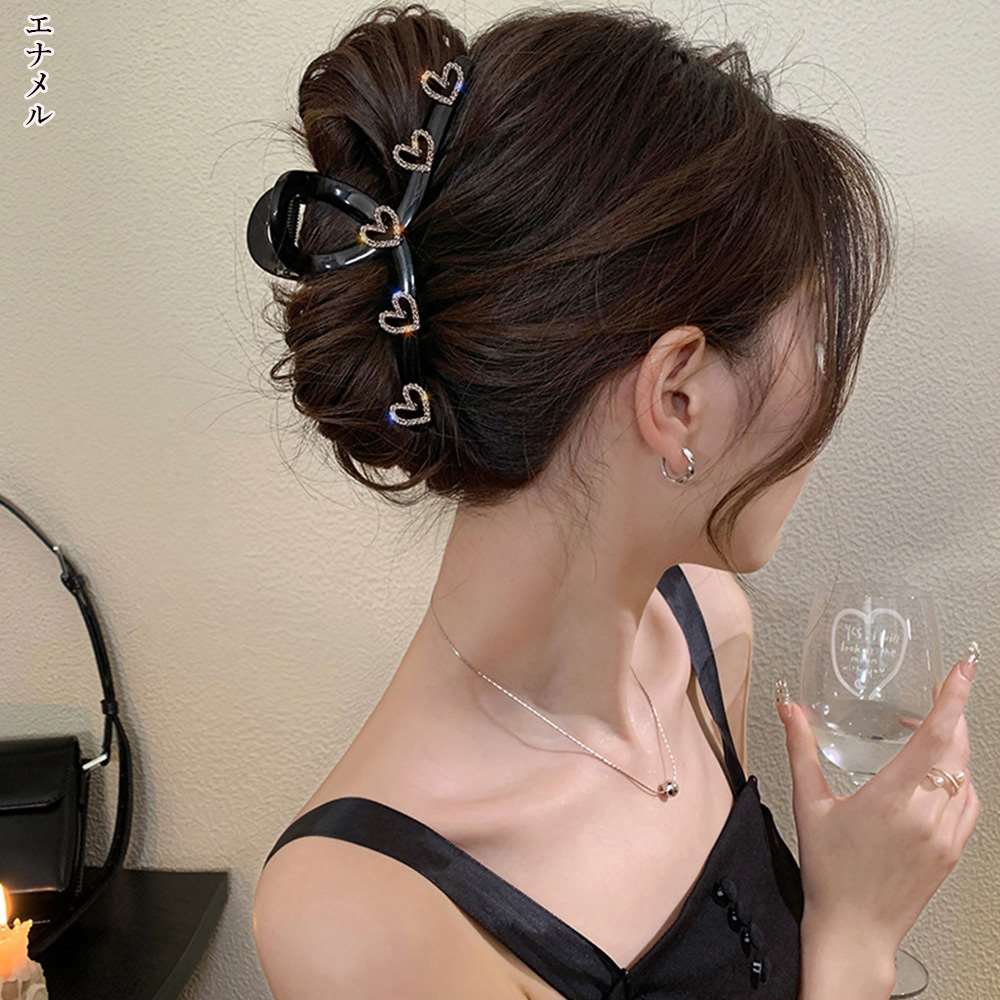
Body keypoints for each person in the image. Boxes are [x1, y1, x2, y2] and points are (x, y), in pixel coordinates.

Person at [248, 5, 980, 998]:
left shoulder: (706, 631)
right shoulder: (357, 921)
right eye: (810, 339)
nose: (827, 393)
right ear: (677, 395)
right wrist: (856, 934)